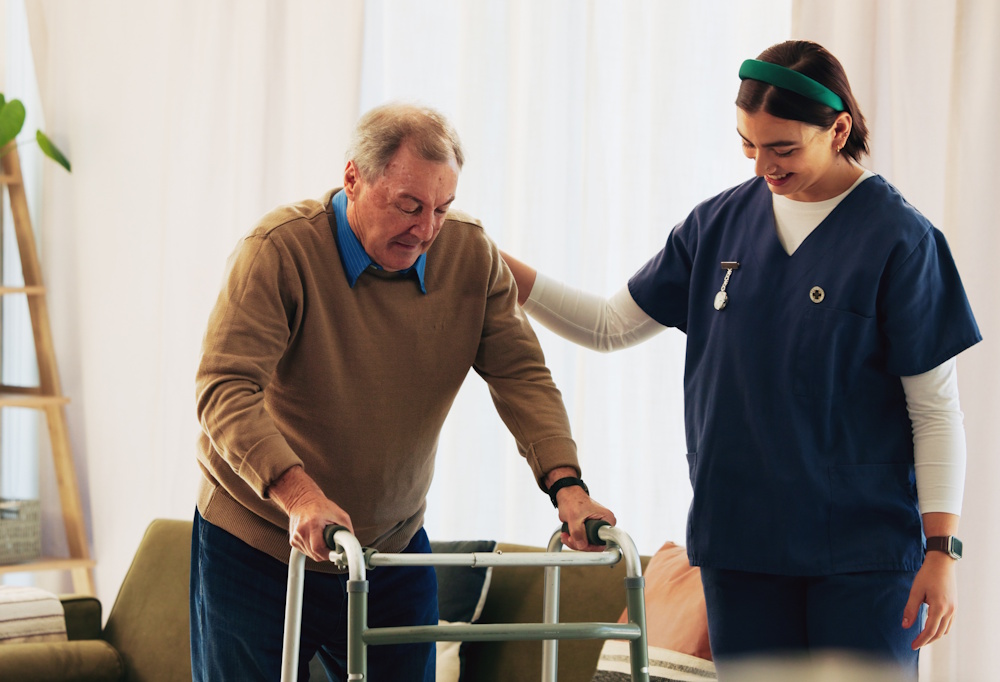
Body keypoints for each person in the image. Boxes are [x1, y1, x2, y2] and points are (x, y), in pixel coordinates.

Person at [502, 40, 980, 679]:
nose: (763, 167)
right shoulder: (717, 225)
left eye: (782, 148)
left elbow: (936, 410)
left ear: (839, 129)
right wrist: (493, 265)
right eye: (748, 145)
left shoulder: (900, 239)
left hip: (861, 554)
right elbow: (610, 325)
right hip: (742, 545)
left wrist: (942, 552)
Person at [191, 102, 615, 682]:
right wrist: (299, 496)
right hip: (260, 542)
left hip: (388, 543)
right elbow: (224, 388)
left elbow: (522, 376)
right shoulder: (279, 251)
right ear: (353, 179)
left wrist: (567, 485)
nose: (426, 229)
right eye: (409, 206)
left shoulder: (470, 256)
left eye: (442, 209)